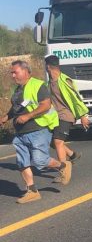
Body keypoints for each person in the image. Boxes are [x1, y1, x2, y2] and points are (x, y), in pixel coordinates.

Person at [0, 60, 71, 204]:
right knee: (22, 162)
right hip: (20, 132)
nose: (13, 75)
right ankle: (32, 191)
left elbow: (45, 105)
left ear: (26, 71)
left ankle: (63, 165)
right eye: (12, 72)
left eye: (15, 72)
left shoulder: (38, 85)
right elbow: (16, 108)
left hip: (38, 129)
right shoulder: (18, 89)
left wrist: (28, 116)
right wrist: (5, 117)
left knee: (39, 161)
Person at [45, 55, 89, 182]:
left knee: (58, 141)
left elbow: (76, 98)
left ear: (48, 67)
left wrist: (82, 116)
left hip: (66, 115)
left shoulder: (65, 80)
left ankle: (64, 170)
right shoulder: (50, 82)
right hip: (54, 116)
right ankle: (72, 155)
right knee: (52, 142)